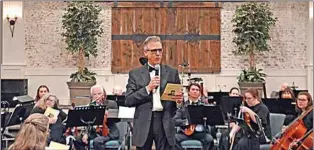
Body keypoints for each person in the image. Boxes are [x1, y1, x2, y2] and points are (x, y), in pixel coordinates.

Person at [125, 36, 182, 150]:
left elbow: (177, 103)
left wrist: (179, 101)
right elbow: (128, 100)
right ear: (146, 52)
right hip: (144, 121)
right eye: (154, 50)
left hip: (164, 120)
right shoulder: (135, 74)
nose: (157, 54)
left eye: (160, 50)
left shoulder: (172, 72)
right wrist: (147, 89)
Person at [73, 85, 119, 150]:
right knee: (77, 139)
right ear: (92, 96)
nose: (97, 96)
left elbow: (117, 119)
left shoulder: (111, 104)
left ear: (104, 94)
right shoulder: (90, 106)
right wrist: (85, 134)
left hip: (108, 132)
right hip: (94, 132)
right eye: (94, 94)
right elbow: (88, 122)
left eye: (99, 93)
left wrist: (106, 113)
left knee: (97, 141)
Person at [173, 83, 214, 150]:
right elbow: (175, 120)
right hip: (185, 133)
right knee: (174, 139)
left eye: (197, 90)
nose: (195, 91)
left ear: (199, 93)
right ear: (189, 92)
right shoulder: (183, 106)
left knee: (209, 139)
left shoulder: (204, 106)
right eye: (193, 89)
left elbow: (211, 120)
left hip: (200, 133)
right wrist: (186, 122)